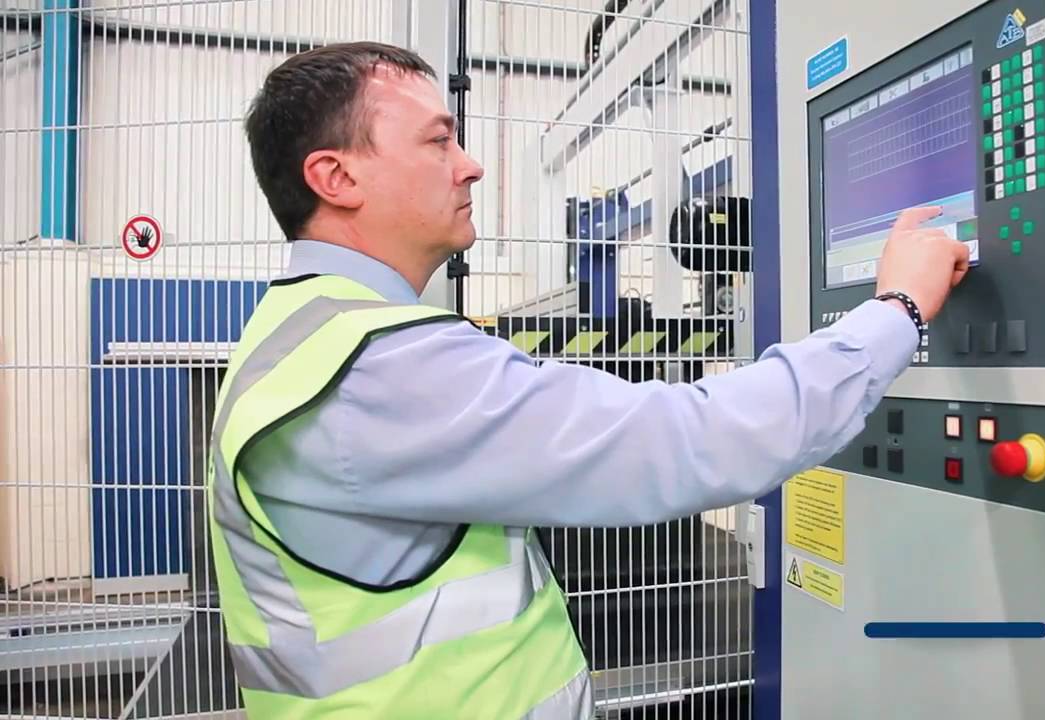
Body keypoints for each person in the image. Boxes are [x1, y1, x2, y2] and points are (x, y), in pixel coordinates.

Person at [209, 41, 971, 719]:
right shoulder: (375, 366)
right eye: (439, 139)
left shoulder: (301, 334)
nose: (469, 162)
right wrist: (896, 310)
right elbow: (688, 440)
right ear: (335, 176)